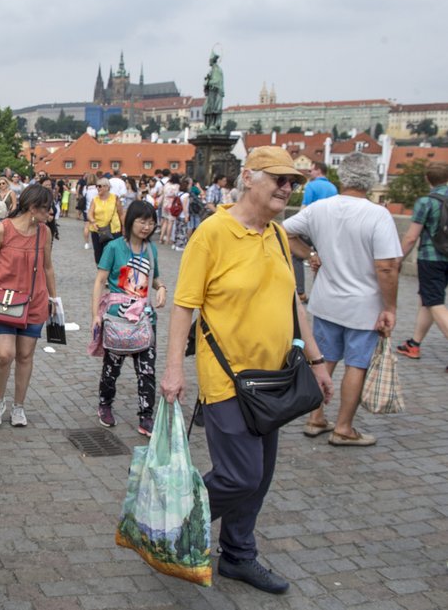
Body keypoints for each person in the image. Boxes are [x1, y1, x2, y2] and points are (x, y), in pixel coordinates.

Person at [160, 146, 333, 595]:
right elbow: (184, 306)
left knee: (259, 476)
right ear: (248, 177)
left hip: (273, 381)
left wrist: (316, 361)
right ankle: (171, 524)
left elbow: (293, 301)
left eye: (291, 181)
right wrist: (174, 369)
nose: (286, 188)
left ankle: (238, 555)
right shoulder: (212, 234)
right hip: (228, 379)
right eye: (278, 178)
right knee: (241, 475)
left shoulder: (277, 235)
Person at [284, 153, 401, 446]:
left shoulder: (320, 209)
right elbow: (387, 267)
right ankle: (344, 428)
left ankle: (315, 417)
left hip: (326, 300)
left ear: (342, 177)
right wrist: (390, 307)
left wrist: (309, 255)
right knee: (356, 365)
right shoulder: (377, 214)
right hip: (364, 306)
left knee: (324, 360)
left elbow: (283, 232)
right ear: (370, 178)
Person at [0, 186, 58, 427]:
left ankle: (19, 406)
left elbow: (47, 267)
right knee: (5, 354)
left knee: (25, 355)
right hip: (4, 301)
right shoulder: (2, 230)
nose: (51, 212)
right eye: (47, 208)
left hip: (34, 301)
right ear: (32, 208)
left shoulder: (43, 233)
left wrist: (54, 300)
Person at [90, 200, 166, 436]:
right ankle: (105, 404)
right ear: (130, 221)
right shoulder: (114, 247)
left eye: (151, 222)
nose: (146, 226)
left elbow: (154, 277)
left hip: (144, 318)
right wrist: (96, 315)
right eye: (142, 221)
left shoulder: (151, 249)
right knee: (112, 368)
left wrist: (161, 287)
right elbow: (100, 281)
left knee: (147, 370)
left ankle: (146, 416)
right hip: (117, 318)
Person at [396, 162, 448, 370]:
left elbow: (410, 237)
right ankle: (414, 344)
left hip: (431, 257)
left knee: (434, 301)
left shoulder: (426, 202)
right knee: (427, 300)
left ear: (428, 179)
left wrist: (397, 259)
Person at [294, 160, 337, 302]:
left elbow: (305, 208)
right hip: (328, 229)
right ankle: (321, 293)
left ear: (319, 170)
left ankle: (300, 292)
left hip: (311, 228)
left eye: (311, 170)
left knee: (297, 255)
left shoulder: (312, 186)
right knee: (322, 260)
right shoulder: (333, 188)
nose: (309, 172)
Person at [86, 177, 124, 265]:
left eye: (100, 186)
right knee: (98, 253)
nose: (97, 188)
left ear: (107, 187)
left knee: (112, 253)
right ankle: (101, 272)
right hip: (98, 230)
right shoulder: (95, 199)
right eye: (97, 186)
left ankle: (111, 273)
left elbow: (121, 214)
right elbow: (89, 213)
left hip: (113, 230)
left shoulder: (115, 198)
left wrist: (124, 227)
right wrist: (93, 221)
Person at [171, 176, 192, 251]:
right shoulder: (186, 195)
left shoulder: (178, 194)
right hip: (183, 215)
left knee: (177, 229)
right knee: (182, 230)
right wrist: (187, 216)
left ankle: (175, 243)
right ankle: (180, 245)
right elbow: (185, 207)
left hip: (177, 214)